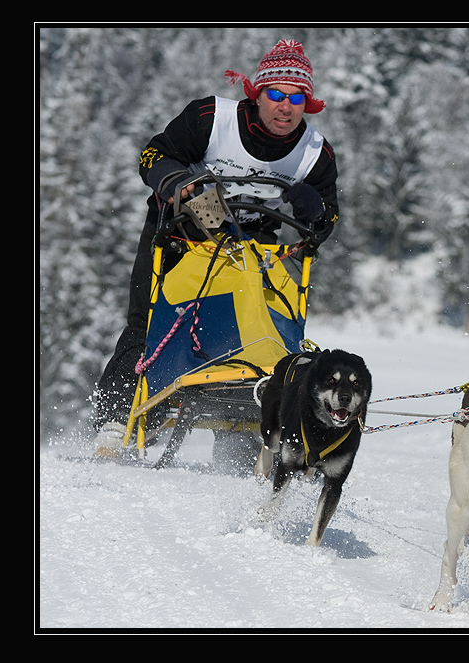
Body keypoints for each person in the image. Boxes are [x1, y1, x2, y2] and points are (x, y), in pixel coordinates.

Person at [92, 39, 340, 451]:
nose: (285, 106)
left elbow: (326, 221)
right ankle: (117, 420)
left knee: (269, 323)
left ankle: (252, 432)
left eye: (297, 98)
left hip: (254, 251)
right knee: (148, 323)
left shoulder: (315, 153)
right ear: (256, 94)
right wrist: (179, 185)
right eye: (276, 94)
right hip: (179, 236)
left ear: (308, 103)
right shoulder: (211, 118)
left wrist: (314, 209)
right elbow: (153, 156)